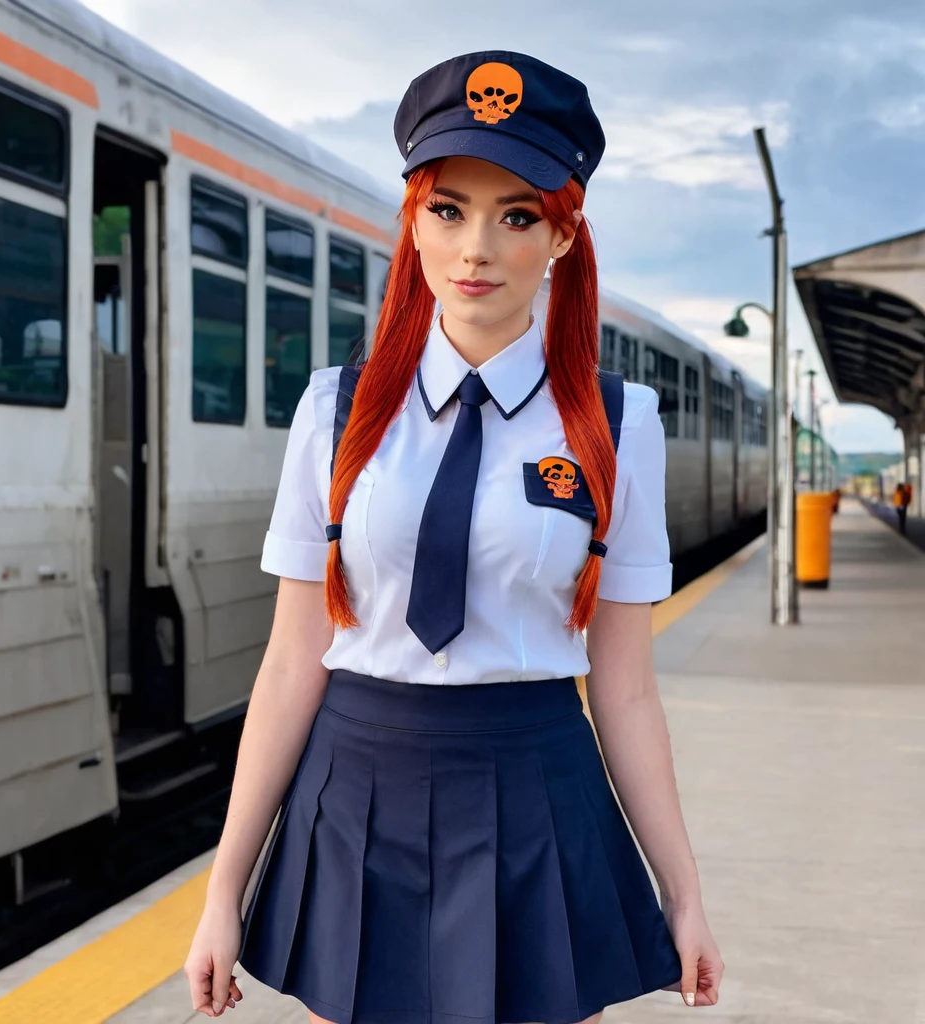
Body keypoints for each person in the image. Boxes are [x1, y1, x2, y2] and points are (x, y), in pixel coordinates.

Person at [185, 50, 723, 1024]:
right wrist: (223, 887)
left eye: (515, 214)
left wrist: (680, 889)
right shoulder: (334, 411)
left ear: (561, 236)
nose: (475, 246)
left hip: (538, 795)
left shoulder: (615, 425)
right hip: (352, 799)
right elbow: (290, 661)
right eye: (447, 208)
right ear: (413, 223)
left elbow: (627, 687)